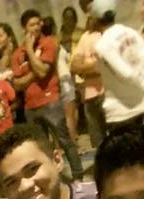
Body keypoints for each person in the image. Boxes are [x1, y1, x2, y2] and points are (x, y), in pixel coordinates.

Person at [11, 8, 83, 181]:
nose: (36, 27)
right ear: (24, 28)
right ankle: (53, 178)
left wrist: (30, 51)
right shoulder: (17, 53)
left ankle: (78, 177)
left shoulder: (49, 43)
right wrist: (34, 72)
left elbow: (43, 72)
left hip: (51, 101)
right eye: (32, 25)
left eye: (38, 23)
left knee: (65, 140)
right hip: (30, 106)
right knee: (41, 148)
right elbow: (17, 84)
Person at [91, 0, 144, 125]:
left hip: (122, 113)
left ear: (95, 19)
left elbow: (126, 73)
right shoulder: (131, 32)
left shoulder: (103, 45)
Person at [70, 5, 106, 148]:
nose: (89, 18)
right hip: (89, 96)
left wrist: (85, 68)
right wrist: (91, 67)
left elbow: (104, 66)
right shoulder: (85, 37)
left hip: (106, 92)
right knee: (98, 141)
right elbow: (74, 66)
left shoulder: (106, 35)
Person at [58, 6, 83, 144]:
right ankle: (75, 133)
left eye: (71, 17)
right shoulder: (58, 36)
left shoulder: (81, 32)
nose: (68, 20)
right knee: (71, 106)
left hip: (79, 69)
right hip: (65, 73)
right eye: (66, 17)